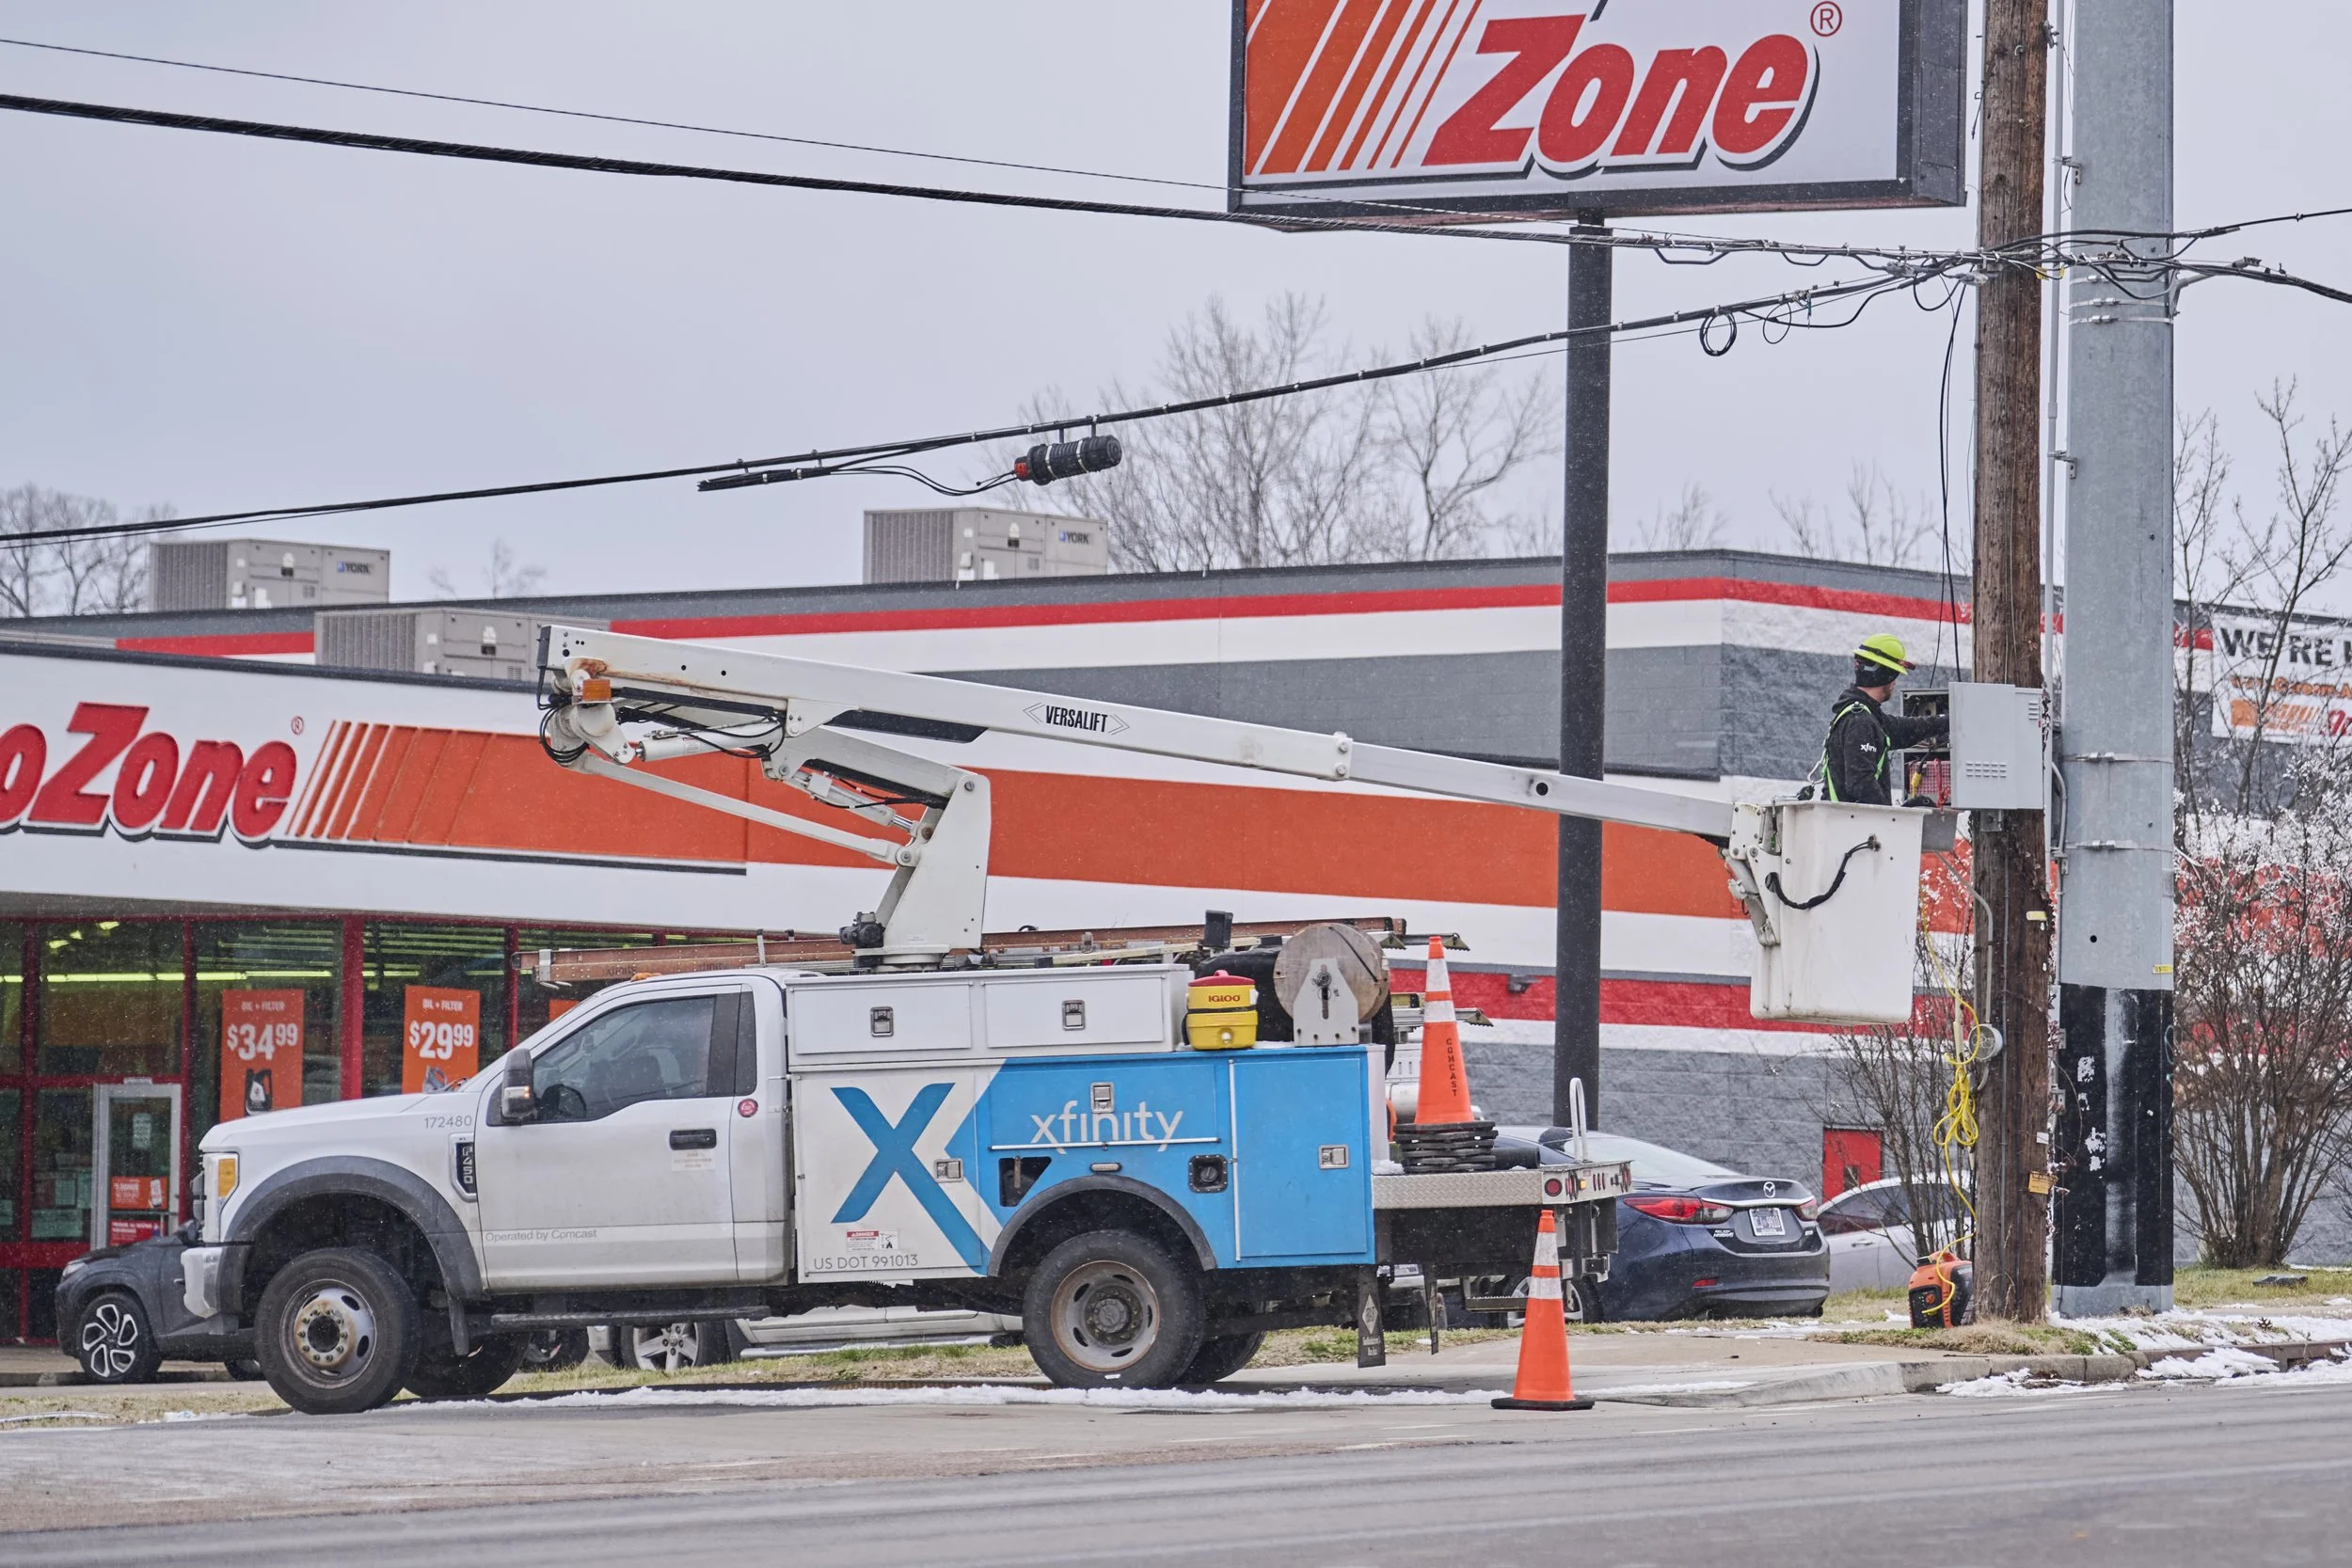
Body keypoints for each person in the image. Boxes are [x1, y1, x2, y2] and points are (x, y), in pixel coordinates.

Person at [1820, 633, 1948, 806]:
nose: (1895, 683)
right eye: (1895, 675)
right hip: (1852, 827)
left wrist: (1949, 721)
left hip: (1852, 825)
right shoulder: (1860, 722)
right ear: (1887, 676)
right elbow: (1860, 784)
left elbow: (1905, 729)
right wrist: (1893, 819)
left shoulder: (1867, 717)